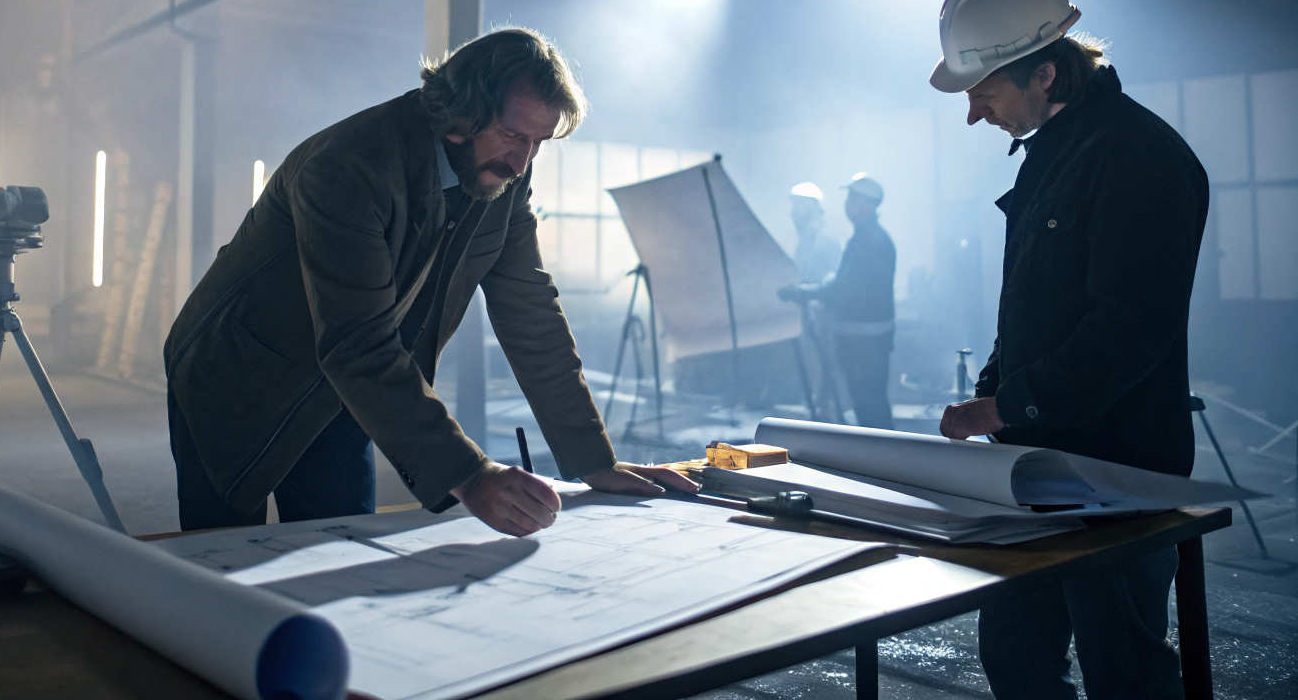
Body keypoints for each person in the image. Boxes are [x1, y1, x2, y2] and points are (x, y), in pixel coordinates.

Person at [163, 28, 696, 537]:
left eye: (538, 143)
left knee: (344, 543)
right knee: (225, 561)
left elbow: (531, 311)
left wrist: (592, 462)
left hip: (349, 387)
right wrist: (472, 475)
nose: (521, 162)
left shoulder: (505, 177)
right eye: (512, 135)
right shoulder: (348, 168)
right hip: (235, 375)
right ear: (462, 112)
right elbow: (357, 343)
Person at [931, 0, 1208, 700]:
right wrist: (998, 391)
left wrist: (1006, 406)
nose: (973, 115)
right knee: (1018, 657)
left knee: (1125, 671)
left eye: (983, 95)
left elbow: (1128, 327)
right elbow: (1031, 304)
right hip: (1035, 470)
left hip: (1114, 473)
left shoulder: (1138, 157)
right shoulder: (1052, 157)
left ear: (1045, 75)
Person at [779, 175, 896, 430]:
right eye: (849, 198)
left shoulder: (870, 242)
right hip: (864, 339)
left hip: (865, 342)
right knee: (869, 404)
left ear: (867, 205)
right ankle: (881, 457)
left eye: (854, 199)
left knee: (869, 406)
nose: (848, 204)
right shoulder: (864, 238)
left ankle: (883, 459)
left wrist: (806, 292)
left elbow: (846, 289)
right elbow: (845, 282)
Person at [788, 182, 841, 287]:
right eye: (794, 204)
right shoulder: (806, 239)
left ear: (813, 206)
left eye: (799, 203)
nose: (793, 211)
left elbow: (832, 282)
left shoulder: (824, 238)